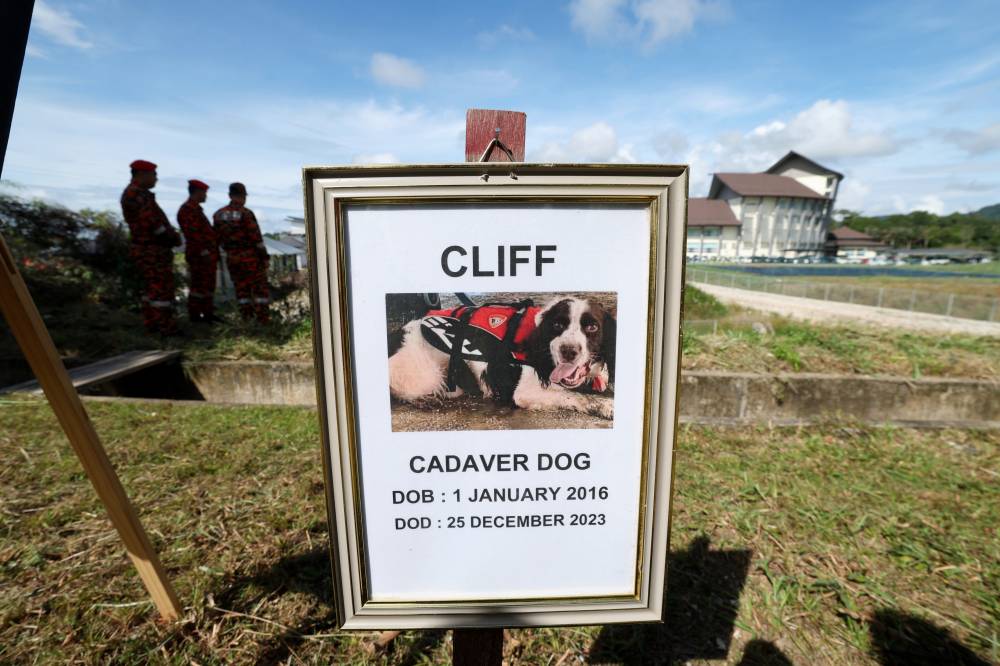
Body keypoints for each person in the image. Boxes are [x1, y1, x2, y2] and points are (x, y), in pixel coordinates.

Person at [119, 159, 182, 336]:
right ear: (141, 174)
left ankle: (155, 325)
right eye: (154, 175)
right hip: (151, 249)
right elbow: (153, 224)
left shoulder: (140, 194)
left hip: (151, 249)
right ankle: (163, 328)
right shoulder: (136, 194)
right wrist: (172, 237)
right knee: (159, 289)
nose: (156, 179)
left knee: (152, 290)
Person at [213, 182, 270, 323]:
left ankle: (247, 318)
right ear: (243, 196)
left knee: (241, 291)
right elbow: (257, 239)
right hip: (250, 259)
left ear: (229, 195)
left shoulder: (218, 215)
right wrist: (264, 257)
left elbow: (215, 238)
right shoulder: (246, 213)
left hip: (232, 259)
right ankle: (262, 320)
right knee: (258, 291)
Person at [177, 179, 220, 323]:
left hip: (206, 255)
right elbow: (193, 235)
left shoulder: (195, 210)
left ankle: (208, 314)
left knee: (207, 287)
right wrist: (204, 252)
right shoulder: (187, 210)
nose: (206, 196)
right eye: (204, 193)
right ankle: (195, 316)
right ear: (197, 192)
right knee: (198, 287)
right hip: (199, 256)